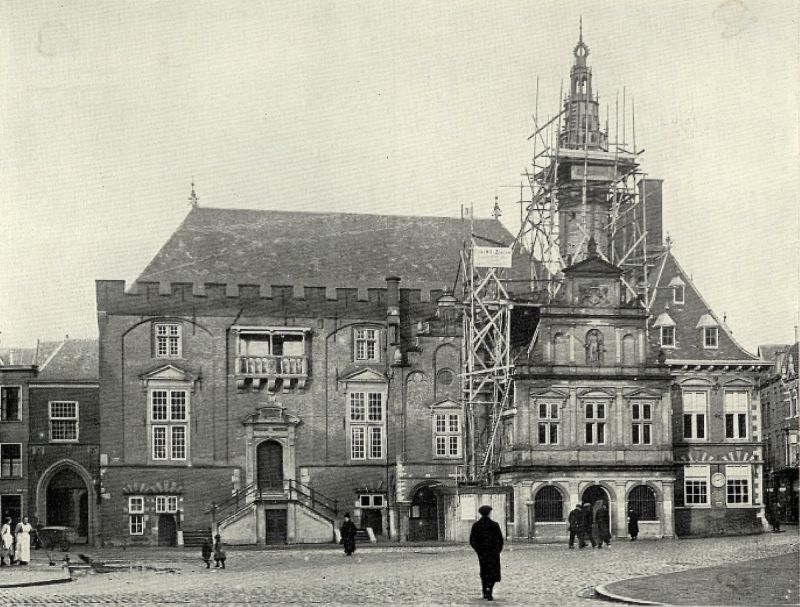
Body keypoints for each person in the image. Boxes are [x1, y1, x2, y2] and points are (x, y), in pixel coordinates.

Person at [469, 504, 503, 601]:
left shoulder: (476, 525)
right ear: (489, 513)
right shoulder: (494, 525)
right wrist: (497, 550)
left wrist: (478, 550)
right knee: (493, 572)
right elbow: (500, 540)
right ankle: (489, 591)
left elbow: (472, 540)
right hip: (493, 553)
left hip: (482, 554)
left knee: (484, 572)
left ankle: (485, 591)